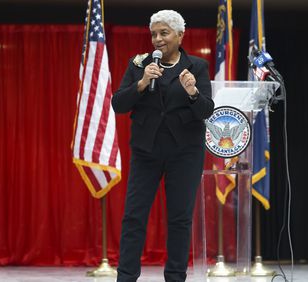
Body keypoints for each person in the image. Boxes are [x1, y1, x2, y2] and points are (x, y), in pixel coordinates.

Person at [111, 9, 214, 282]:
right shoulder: (139, 65)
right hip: (146, 151)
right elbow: (118, 104)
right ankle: (126, 277)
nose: (157, 39)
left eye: (164, 33)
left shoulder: (197, 67)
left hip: (185, 152)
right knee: (134, 216)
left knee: (180, 218)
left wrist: (193, 92)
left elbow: (206, 111)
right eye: (154, 33)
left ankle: (176, 277)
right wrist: (143, 83)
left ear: (180, 35)